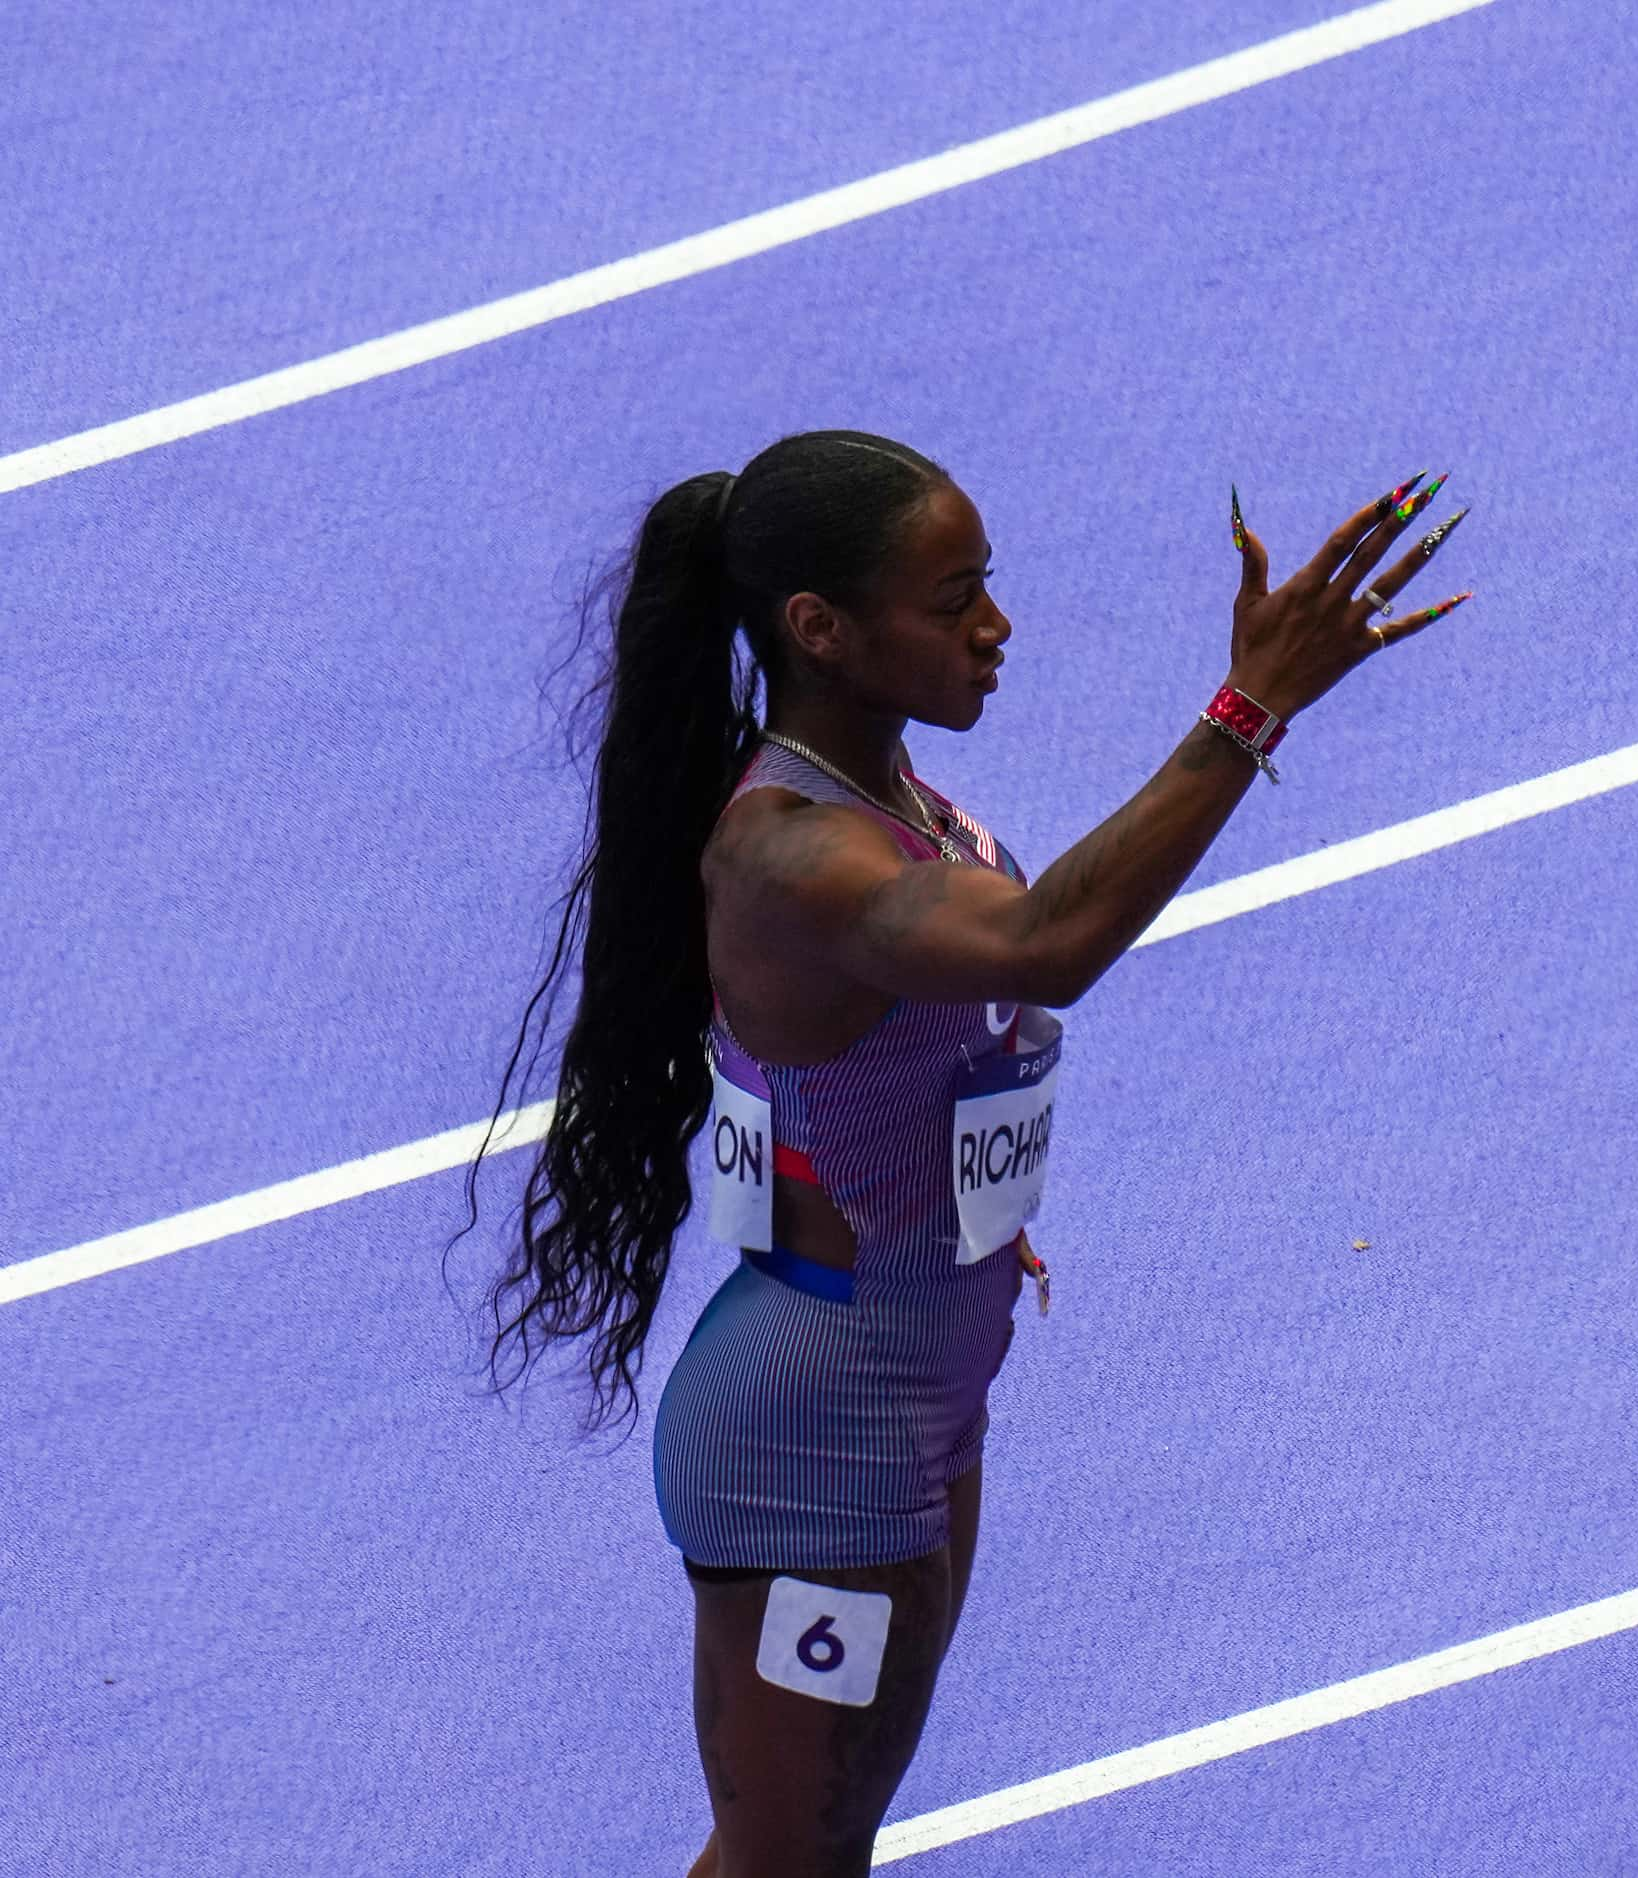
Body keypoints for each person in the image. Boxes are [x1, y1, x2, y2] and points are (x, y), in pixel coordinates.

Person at [462, 429, 1472, 1876]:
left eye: (985, 586)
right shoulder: (798, 857)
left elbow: (851, 1063)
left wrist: (945, 1200)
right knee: (784, 1861)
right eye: (953, 603)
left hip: (922, 1386)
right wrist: (1251, 707)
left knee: (826, 1843)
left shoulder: (883, 796)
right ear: (819, 628)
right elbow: (1047, 943)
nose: (996, 627)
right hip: (812, 1432)